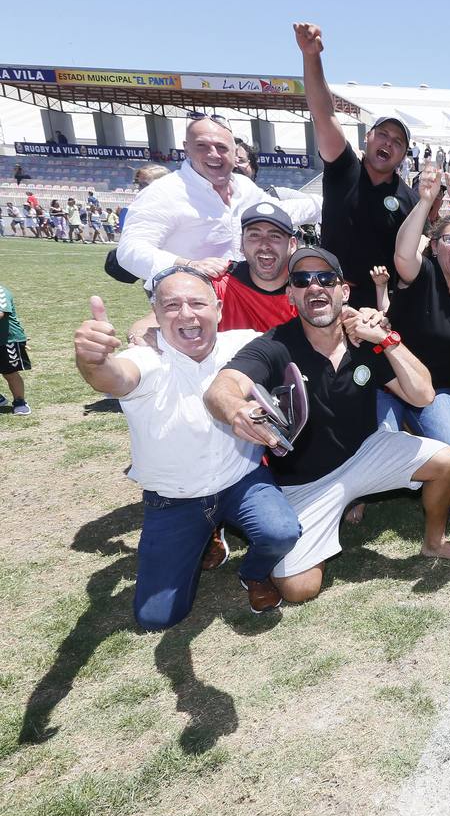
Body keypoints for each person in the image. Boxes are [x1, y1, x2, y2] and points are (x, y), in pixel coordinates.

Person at [205, 247, 450, 604]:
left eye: (326, 279)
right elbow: (221, 388)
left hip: (365, 454)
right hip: (306, 482)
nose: (315, 287)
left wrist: (386, 339)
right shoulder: (274, 345)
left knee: (447, 459)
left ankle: (434, 542)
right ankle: (318, 522)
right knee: (299, 590)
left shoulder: (363, 342)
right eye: (302, 280)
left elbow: (424, 395)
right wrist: (236, 410)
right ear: (291, 295)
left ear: (344, 291)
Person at [73, 271, 300, 626]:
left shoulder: (243, 344)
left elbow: (296, 339)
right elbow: (115, 377)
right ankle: (204, 536)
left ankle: (253, 572)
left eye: (197, 303)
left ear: (219, 309)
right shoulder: (146, 359)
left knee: (281, 531)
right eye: (172, 305)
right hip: (175, 499)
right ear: (156, 314)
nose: (187, 314)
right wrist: (93, 361)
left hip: (241, 480)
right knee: (156, 617)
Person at [379, 166, 450, 540]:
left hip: (435, 391)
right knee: (376, 445)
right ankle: (355, 497)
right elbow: (402, 254)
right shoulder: (421, 275)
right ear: (435, 245)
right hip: (390, 382)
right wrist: (426, 200)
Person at [295, 22, 418, 309]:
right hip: (328, 293)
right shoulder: (343, 166)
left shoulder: (409, 199)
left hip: (378, 305)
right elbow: (324, 115)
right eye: (383, 135)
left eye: (398, 142)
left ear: (403, 156)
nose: (388, 143)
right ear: (367, 139)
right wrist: (311, 56)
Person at [116, 113, 319, 282]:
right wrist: (188, 266)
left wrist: (338, 201)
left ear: (234, 151)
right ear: (187, 148)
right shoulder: (163, 192)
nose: (213, 154)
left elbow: (283, 213)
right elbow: (130, 252)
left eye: (222, 147)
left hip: (240, 299)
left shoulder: (244, 188)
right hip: (190, 307)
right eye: (202, 146)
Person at [127, 202, 302, 344]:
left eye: (275, 236)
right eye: (254, 236)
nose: (264, 245)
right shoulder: (218, 281)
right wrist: (141, 335)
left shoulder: (307, 286)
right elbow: (154, 320)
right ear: (241, 244)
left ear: (293, 244)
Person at [0, 284, 33, 415]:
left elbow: (1, 314)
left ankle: (20, 402)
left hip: (8, 339)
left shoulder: (1, 291)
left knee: (10, 373)